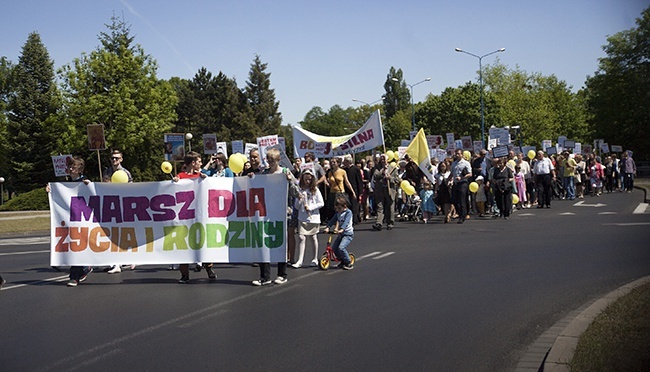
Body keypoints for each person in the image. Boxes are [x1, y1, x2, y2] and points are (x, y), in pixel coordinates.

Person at [251, 148, 299, 286]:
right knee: (263, 242)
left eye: (272, 160)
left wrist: (290, 181)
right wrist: (252, 179)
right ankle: (264, 276)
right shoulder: (265, 173)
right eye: (268, 160)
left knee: (280, 242)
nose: (270, 163)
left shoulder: (284, 172)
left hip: (282, 212)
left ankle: (281, 274)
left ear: (278, 160)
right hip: (266, 212)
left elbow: (296, 192)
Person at [47, 157, 93, 287]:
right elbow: (60, 197)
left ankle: (76, 275)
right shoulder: (65, 184)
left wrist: (89, 185)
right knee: (73, 246)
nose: (70, 169)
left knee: (80, 246)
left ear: (79, 169)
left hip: (84, 219)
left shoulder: (84, 182)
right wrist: (51, 191)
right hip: (70, 220)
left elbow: (94, 194)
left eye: (73, 167)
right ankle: (80, 271)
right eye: (70, 167)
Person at [173, 151, 215, 284]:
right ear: (193, 163)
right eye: (199, 161)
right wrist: (174, 182)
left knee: (203, 241)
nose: (201, 163)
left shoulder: (200, 176)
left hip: (199, 216)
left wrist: (204, 180)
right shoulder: (180, 176)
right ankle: (184, 274)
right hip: (184, 217)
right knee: (184, 245)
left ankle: (209, 268)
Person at [103, 149, 136, 274]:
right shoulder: (107, 171)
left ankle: (131, 257)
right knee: (113, 234)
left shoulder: (125, 172)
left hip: (124, 206)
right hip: (111, 205)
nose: (114, 160)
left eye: (117, 158)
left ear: (121, 159)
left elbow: (132, 188)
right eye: (112, 158)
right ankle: (115, 263)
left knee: (125, 233)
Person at [291, 169, 324, 268]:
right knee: (301, 237)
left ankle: (314, 258)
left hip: (313, 217)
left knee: (313, 237)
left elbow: (321, 203)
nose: (307, 182)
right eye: (305, 179)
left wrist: (311, 207)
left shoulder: (315, 190)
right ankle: (300, 260)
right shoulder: (300, 190)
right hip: (302, 217)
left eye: (309, 179)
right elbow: (296, 206)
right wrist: (299, 200)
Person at [370, 154, 400, 231]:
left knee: (390, 206)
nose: (382, 160)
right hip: (380, 190)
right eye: (381, 159)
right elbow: (376, 176)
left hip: (389, 190)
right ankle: (379, 223)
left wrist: (390, 178)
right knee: (380, 206)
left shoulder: (393, 168)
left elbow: (397, 180)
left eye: (384, 159)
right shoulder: (377, 168)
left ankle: (390, 222)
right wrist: (383, 171)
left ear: (388, 160)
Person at [324, 196, 354, 270]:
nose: (338, 210)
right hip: (341, 234)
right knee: (334, 248)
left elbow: (346, 222)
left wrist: (341, 229)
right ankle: (342, 260)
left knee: (341, 247)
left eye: (339, 208)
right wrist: (328, 227)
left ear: (345, 206)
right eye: (337, 208)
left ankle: (348, 262)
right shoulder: (338, 213)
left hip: (348, 234)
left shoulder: (348, 213)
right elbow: (333, 220)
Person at [324, 157, 356, 222]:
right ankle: (336, 223)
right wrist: (326, 183)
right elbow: (329, 183)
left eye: (334, 162)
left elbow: (347, 182)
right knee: (334, 209)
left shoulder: (342, 171)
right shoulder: (330, 172)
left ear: (338, 163)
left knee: (341, 209)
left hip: (340, 192)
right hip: (332, 192)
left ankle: (344, 222)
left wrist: (353, 192)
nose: (332, 164)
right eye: (331, 162)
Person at [450, 148, 472, 224]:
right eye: (456, 154)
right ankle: (459, 213)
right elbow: (452, 173)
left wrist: (462, 177)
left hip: (463, 183)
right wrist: (448, 179)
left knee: (462, 200)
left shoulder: (466, 163)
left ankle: (462, 216)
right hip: (455, 183)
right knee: (454, 200)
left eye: (459, 154)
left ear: (462, 154)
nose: (457, 155)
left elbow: (470, 174)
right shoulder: (454, 163)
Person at [342, 155, 363, 224]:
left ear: (348, 162)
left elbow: (359, 181)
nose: (343, 162)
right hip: (346, 190)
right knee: (348, 205)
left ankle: (355, 219)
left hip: (355, 190)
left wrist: (360, 192)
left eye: (344, 161)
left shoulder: (356, 169)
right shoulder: (344, 170)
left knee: (355, 206)